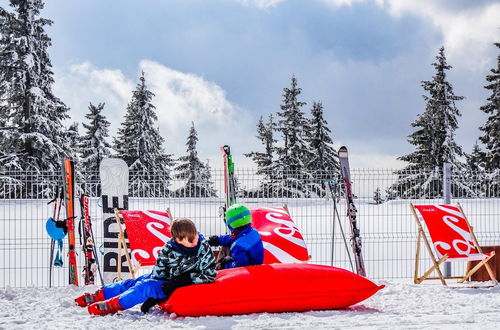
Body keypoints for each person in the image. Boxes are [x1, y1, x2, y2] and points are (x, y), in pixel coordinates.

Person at [74, 218, 216, 316]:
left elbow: (209, 274)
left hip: (179, 284)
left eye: (195, 236)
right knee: (137, 281)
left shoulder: (203, 248)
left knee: (145, 286)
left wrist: (185, 279)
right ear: (177, 239)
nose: (194, 241)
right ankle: (98, 295)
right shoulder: (168, 249)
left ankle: (113, 305)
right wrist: (154, 295)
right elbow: (158, 273)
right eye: (190, 239)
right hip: (166, 281)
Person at [208, 204, 264, 269]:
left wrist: (224, 265)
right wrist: (218, 240)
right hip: (257, 266)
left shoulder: (238, 246)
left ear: (230, 224)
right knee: (226, 244)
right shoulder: (252, 232)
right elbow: (233, 238)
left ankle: (216, 269)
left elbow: (239, 267)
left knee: (224, 249)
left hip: (249, 274)